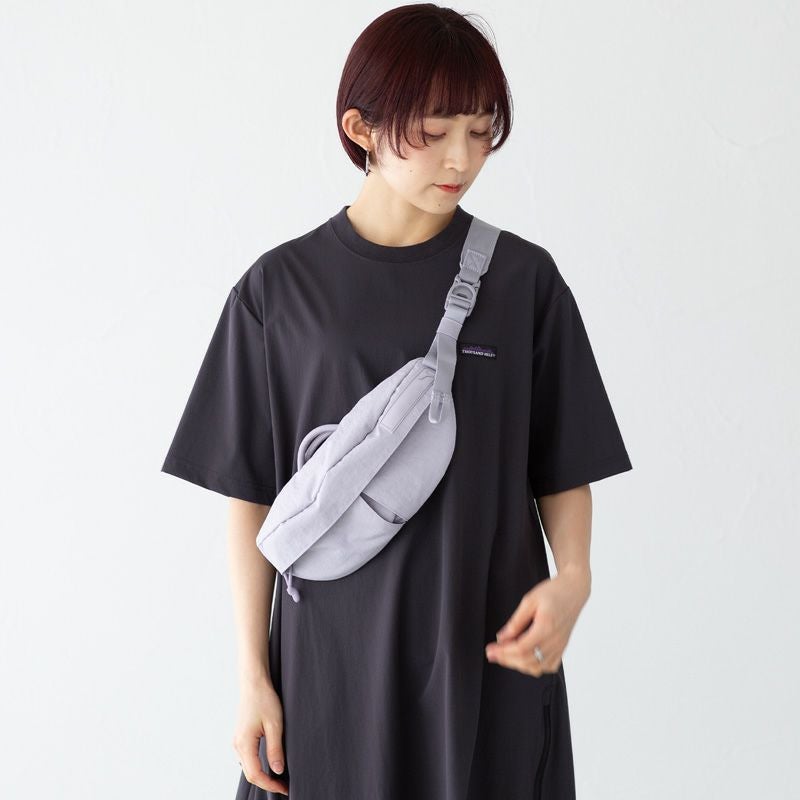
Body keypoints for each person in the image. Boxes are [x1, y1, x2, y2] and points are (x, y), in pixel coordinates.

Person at [161, 4, 633, 799]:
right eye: (436, 131)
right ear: (362, 128)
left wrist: (575, 577)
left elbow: (562, 462)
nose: (462, 158)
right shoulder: (279, 292)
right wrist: (251, 675)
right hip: (329, 672)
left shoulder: (524, 283)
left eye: (481, 131)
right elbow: (250, 495)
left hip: (486, 663)